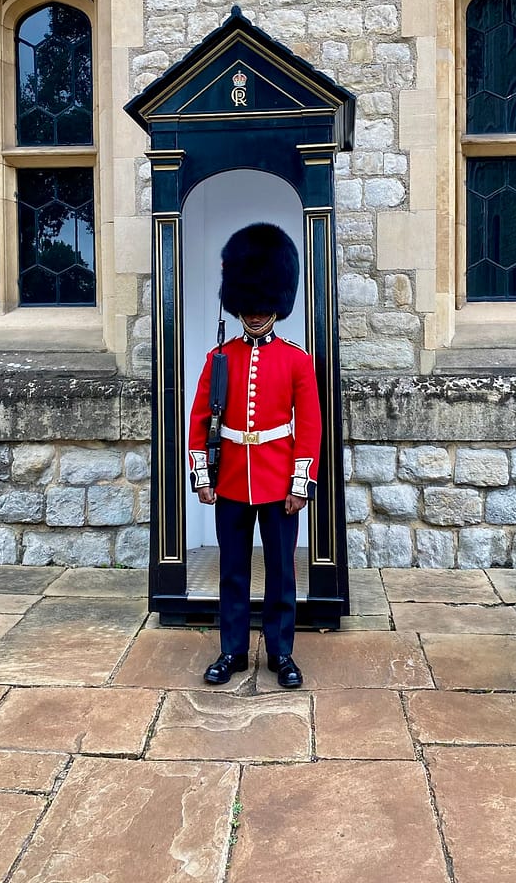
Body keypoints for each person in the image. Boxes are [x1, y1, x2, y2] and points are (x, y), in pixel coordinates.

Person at [188, 223, 322, 688]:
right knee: (232, 571)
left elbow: (309, 427)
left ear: (277, 305)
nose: (256, 313)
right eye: (249, 304)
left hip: (279, 480)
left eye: (264, 305)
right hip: (230, 481)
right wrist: (203, 477)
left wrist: (300, 484)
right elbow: (200, 420)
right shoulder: (219, 358)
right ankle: (233, 650)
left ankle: (281, 653)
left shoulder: (296, 359)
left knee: (282, 572)